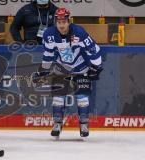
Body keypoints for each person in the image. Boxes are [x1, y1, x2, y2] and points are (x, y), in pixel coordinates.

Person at [33, 8, 103, 138]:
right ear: (55, 22)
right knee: (58, 98)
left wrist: (97, 67)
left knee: (82, 98)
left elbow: (94, 50)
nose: (61, 25)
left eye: (64, 22)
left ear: (69, 21)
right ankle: (57, 123)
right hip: (61, 68)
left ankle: (83, 124)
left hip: (81, 68)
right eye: (59, 22)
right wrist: (43, 71)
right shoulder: (48, 34)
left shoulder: (79, 32)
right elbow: (48, 55)